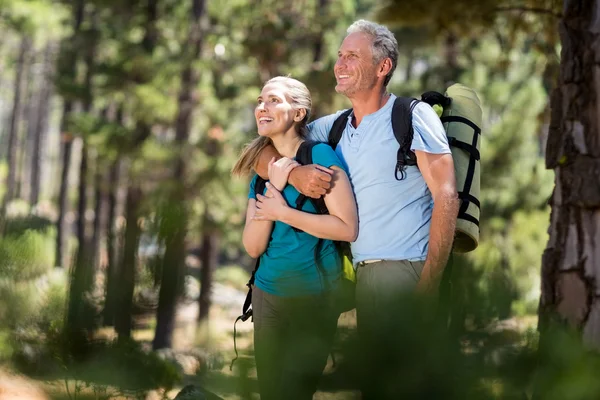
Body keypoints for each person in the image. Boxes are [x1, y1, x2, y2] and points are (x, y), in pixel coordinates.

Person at [253, 20, 460, 398]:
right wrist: (295, 173)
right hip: (367, 275)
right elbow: (267, 142)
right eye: (339, 56)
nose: (340, 64)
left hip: (408, 269)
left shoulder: (411, 117)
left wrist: (428, 286)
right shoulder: (334, 128)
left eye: (353, 56)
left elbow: (447, 196)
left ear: (383, 68)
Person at [231, 76, 358, 400]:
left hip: (313, 297)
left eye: (273, 100)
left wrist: (284, 213)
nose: (262, 107)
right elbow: (253, 245)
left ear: (299, 113)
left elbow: (347, 228)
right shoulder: (263, 174)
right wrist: (275, 184)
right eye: (260, 100)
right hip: (266, 294)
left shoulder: (322, 156)